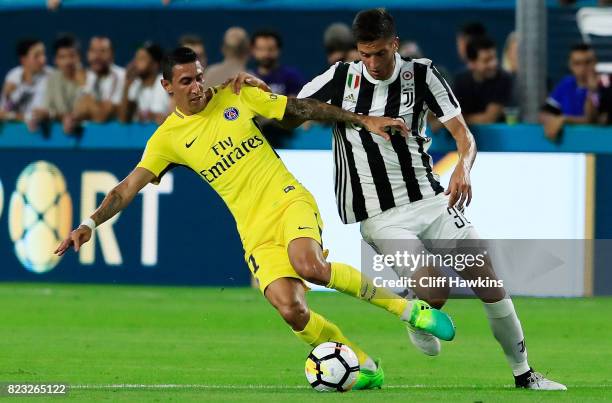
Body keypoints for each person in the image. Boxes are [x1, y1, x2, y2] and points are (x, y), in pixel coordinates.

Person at [54, 46, 455, 391]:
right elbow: (125, 188)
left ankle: (410, 311)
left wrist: (362, 119)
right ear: (167, 87)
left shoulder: (237, 95)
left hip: (288, 201)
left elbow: (299, 108)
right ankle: (365, 367)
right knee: (291, 309)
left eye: (198, 77)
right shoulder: (167, 139)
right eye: (186, 82)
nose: (197, 87)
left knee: (310, 266)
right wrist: (88, 224)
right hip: (254, 229)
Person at [227, 8, 566, 391]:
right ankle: (414, 306)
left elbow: (463, 135)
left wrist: (464, 167)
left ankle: (525, 374)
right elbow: (291, 113)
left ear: (395, 45)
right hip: (381, 217)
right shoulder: (342, 76)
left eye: (379, 54)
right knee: (435, 288)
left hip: (431, 201)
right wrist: (266, 94)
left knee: (488, 281)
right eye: (364, 54)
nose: (371, 63)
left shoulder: (423, 74)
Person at [540, 43, 600, 140]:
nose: (583, 68)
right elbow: (544, 113)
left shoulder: (605, 86)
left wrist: (563, 119)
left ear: (595, 62)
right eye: (577, 63)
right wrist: (551, 122)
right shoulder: (566, 83)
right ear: (570, 65)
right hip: (569, 148)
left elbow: (592, 120)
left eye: (587, 62)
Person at [65, 36, 125, 133]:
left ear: (112, 55)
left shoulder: (121, 77)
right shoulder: (87, 76)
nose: (97, 56)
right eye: (93, 51)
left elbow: (102, 117)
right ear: (88, 54)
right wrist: (72, 118)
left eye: (102, 51)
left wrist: (86, 94)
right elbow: (81, 110)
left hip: (118, 137)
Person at [28, 34, 85, 133]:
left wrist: (52, 115)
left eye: (72, 56)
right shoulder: (52, 79)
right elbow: (46, 109)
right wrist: (37, 119)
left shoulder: (89, 78)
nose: (68, 61)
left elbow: (81, 114)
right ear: (56, 60)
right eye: (62, 57)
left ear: (79, 57)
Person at [453, 36, 513, 124]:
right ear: (472, 64)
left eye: (494, 58)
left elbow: (489, 118)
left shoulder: (503, 79)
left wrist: (458, 119)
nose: (494, 64)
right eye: (487, 60)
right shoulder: (461, 80)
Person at [1, 38, 51, 124]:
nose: (43, 59)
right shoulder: (14, 76)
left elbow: (37, 116)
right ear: (23, 60)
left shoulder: (51, 77)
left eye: (43, 54)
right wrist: (8, 99)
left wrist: (10, 115)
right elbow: (5, 110)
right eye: (37, 56)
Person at [119, 42, 169, 124]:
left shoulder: (166, 83)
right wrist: (127, 84)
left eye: (141, 59)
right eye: (136, 58)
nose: (135, 63)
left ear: (155, 65)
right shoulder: (134, 85)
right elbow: (123, 119)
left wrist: (153, 116)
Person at [252, 29, 305, 97]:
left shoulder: (292, 77)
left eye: (271, 49)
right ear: (253, 50)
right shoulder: (247, 78)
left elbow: (299, 103)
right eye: (261, 49)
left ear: (279, 50)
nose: (266, 54)